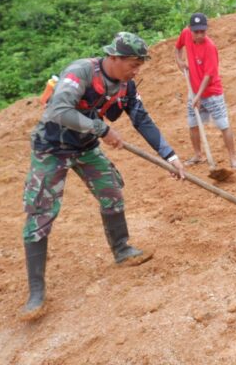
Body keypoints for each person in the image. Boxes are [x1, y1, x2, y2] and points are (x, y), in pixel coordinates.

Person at [20, 32, 185, 321]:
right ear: (115, 57)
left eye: (138, 66)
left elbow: (141, 118)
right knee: (41, 212)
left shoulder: (126, 86)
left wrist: (169, 155)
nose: (136, 71)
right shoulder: (80, 72)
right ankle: (36, 293)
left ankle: (122, 250)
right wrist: (102, 129)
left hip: (84, 147)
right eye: (133, 64)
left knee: (111, 190)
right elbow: (59, 110)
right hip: (52, 148)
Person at [174, 13, 236, 171]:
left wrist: (198, 96)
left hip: (212, 93)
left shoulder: (210, 47)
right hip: (194, 91)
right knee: (193, 124)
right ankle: (198, 155)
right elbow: (177, 48)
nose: (199, 35)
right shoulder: (185, 34)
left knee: (223, 125)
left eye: (202, 32)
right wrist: (179, 61)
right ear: (190, 29)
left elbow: (208, 75)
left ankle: (233, 159)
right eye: (196, 31)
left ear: (206, 30)